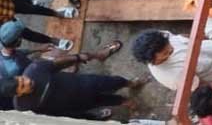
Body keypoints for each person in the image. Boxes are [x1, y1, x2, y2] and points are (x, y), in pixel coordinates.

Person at [0, 52, 149, 119]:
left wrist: (76, 57)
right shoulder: (22, 106)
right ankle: (125, 102)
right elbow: (47, 115)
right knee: (103, 101)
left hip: (85, 83)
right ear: (17, 94)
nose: (26, 81)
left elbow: (57, 63)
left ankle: (131, 83)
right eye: (22, 86)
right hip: (77, 104)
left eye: (21, 79)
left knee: (113, 81)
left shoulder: (34, 70)